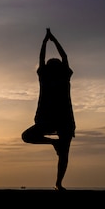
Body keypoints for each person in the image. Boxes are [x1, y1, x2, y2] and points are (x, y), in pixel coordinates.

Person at [22, 28, 75, 191]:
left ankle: (58, 183)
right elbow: (64, 57)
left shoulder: (46, 76)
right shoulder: (62, 76)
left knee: (27, 136)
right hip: (60, 119)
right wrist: (53, 40)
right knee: (64, 152)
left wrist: (45, 41)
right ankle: (59, 183)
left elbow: (42, 59)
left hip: (53, 119)